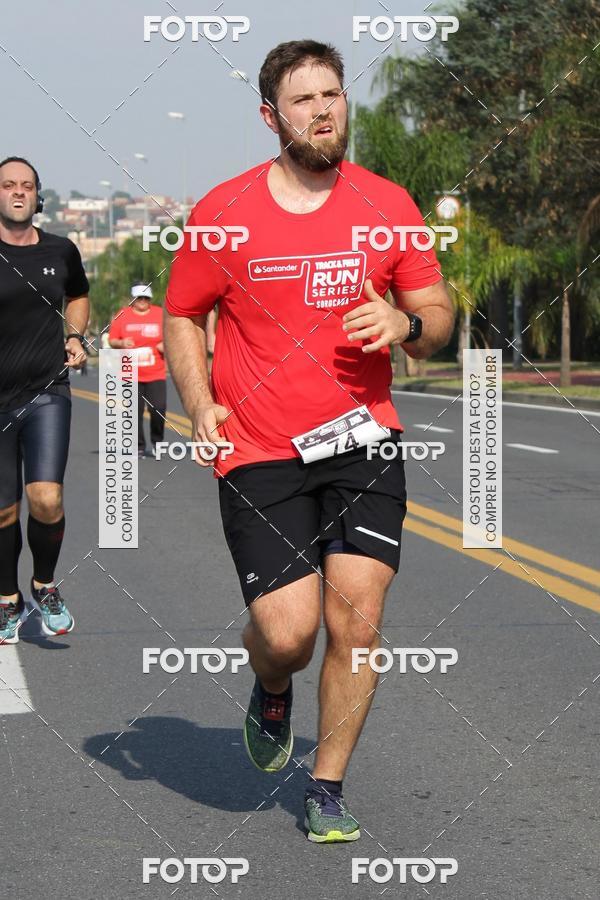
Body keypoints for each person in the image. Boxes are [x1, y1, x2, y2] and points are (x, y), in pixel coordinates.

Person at [164, 40, 455, 842]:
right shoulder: (224, 214)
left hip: (364, 441)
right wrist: (199, 400)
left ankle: (326, 786)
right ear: (271, 117)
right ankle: (271, 682)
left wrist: (408, 325)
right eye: (305, 100)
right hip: (259, 448)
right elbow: (183, 313)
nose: (325, 111)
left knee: (357, 622)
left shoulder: (387, 203)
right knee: (290, 633)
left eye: (333, 94)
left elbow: (436, 314)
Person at [0, 156, 89, 643]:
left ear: (39, 195)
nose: (18, 192)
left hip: (46, 391)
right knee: (3, 511)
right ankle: (7, 599)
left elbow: (77, 294)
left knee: (46, 497)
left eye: (27, 186)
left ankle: (45, 585)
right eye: (9, 185)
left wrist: (75, 336)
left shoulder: (61, 249)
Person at [108, 283, 166, 458]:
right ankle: (138, 446)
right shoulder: (122, 314)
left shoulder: (159, 314)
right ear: (133, 299)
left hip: (156, 371)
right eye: (139, 298)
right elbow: (112, 340)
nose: (143, 301)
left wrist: (166, 346)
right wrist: (122, 343)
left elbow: (171, 336)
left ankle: (157, 443)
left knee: (158, 408)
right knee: (134, 411)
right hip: (130, 372)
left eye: (146, 298)